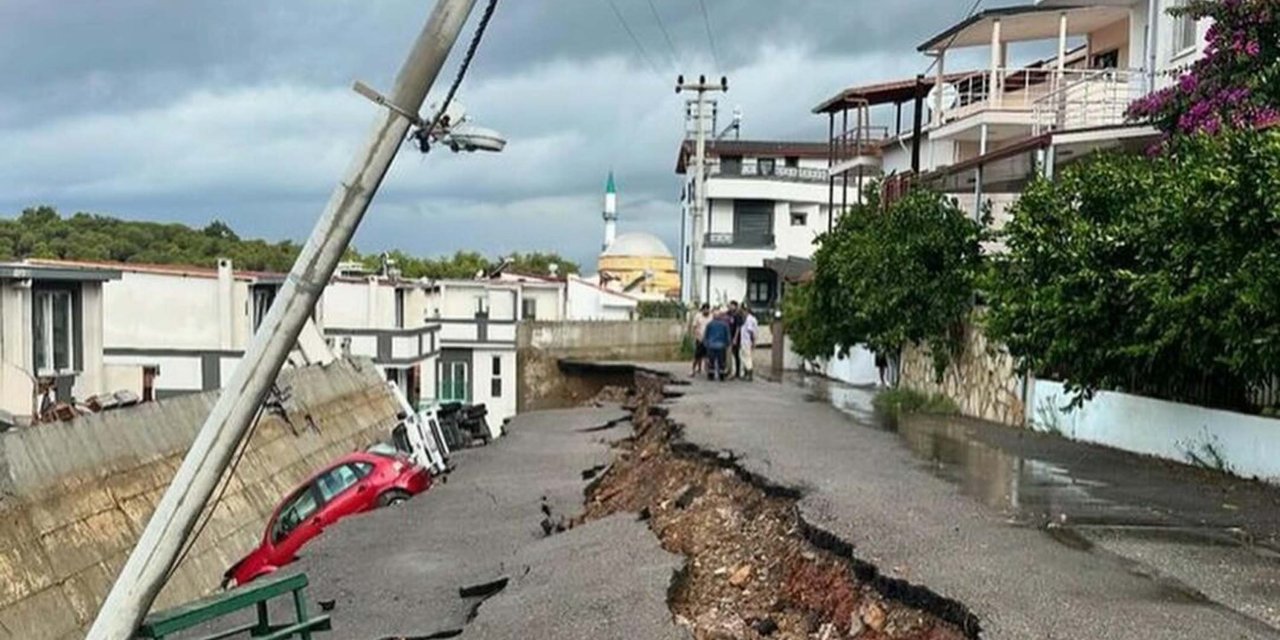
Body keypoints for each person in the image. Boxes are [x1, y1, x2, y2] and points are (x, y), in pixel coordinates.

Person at [703, 311, 732, 381]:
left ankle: (711, 375)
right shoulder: (725, 325)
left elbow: (706, 334)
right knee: (721, 361)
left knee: (711, 361)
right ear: (720, 316)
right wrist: (728, 343)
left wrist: (706, 343)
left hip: (711, 345)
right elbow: (727, 335)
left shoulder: (709, 324)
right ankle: (721, 375)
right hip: (721, 346)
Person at [690, 303, 712, 376]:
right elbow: (694, 327)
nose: (706, 311)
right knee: (697, 356)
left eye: (707, 309)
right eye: (704, 309)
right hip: (700, 338)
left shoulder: (711, 317)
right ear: (702, 310)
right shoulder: (698, 316)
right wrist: (696, 336)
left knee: (707, 356)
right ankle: (693, 370)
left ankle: (708, 370)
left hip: (708, 339)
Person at [738, 306, 759, 381]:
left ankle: (749, 373)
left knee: (747, 357)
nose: (742, 314)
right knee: (742, 356)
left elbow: (751, 332)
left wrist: (752, 342)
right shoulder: (748, 319)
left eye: (742, 312)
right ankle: (746, 373)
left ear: (746, 311)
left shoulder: (749, 319)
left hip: (747, 342)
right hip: (745, 341)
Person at [727, 301, 742, 379]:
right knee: (731, 354)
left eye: (732, 306)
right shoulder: (729, 314)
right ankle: (730, 370)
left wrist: (735, 338)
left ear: (735, 306)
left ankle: (737, 372)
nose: (730, 307)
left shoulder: (737, 315)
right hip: (729, 336)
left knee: (736, 355)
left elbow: (738, 328)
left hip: (735, 337)